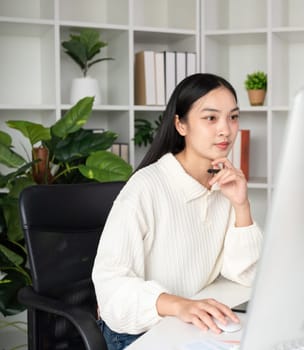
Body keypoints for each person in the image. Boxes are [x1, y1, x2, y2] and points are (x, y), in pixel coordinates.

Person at [92, 73, 263, 350]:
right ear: (180, 125)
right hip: (140, 330)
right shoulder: (145, 187)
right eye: (211, 118)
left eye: (233, 117)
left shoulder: (224, 182)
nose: (226, 130)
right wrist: (179, 305)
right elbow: (111, 286)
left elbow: (245, 275)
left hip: (190, 324)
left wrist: (241, 204)